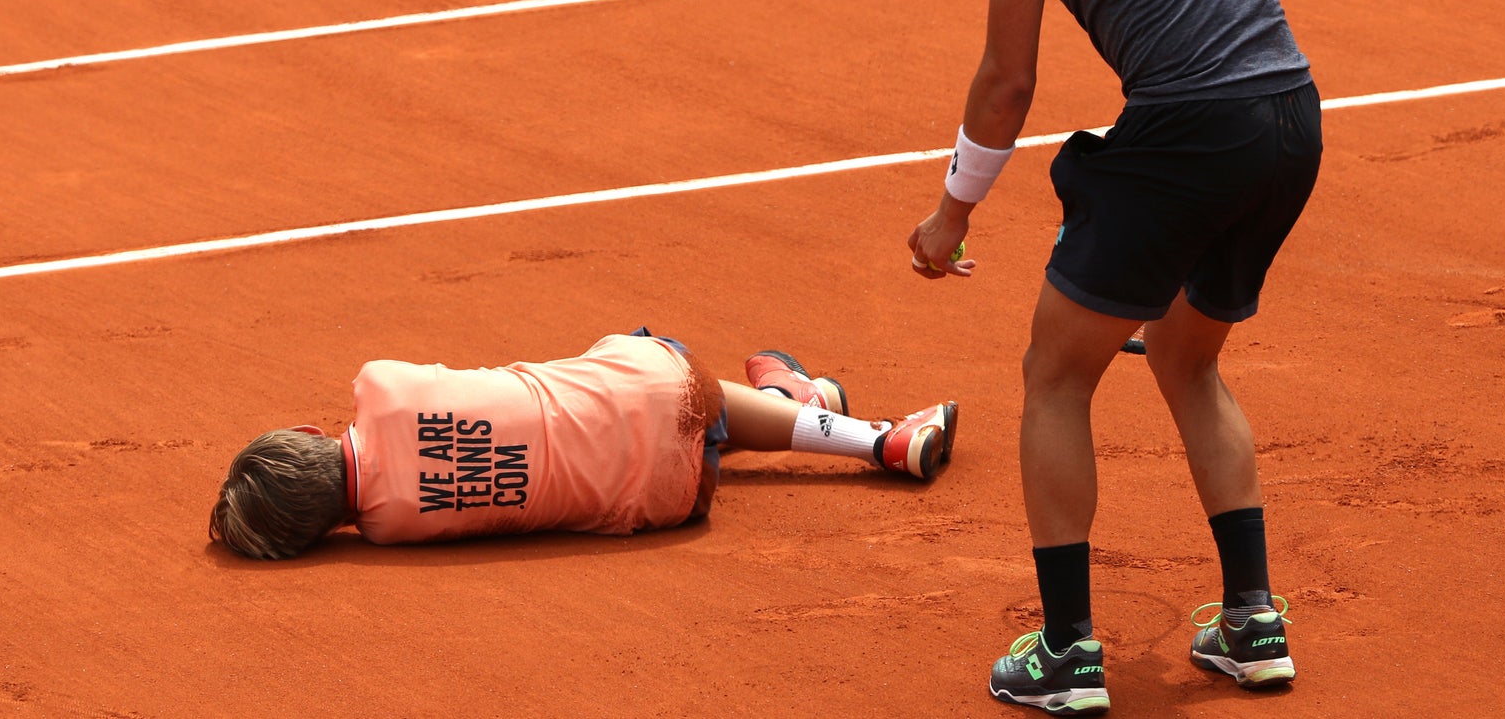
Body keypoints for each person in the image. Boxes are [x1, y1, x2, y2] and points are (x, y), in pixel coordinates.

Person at [911, 0, 1323, 714]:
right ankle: (1251, 622)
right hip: (1287, 125)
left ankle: (1064, 653)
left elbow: (1007, 82)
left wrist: (948, 216)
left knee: (1053, 376)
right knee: (1185, 357)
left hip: (1188, 135)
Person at [209, 330, 958, 559]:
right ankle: (861, 433)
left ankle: (813, 407)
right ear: (307, 434)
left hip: (668, 502)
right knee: (639, 371)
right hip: (668, 388)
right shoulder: (376, 383)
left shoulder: (391, 526)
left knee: (648, 425)